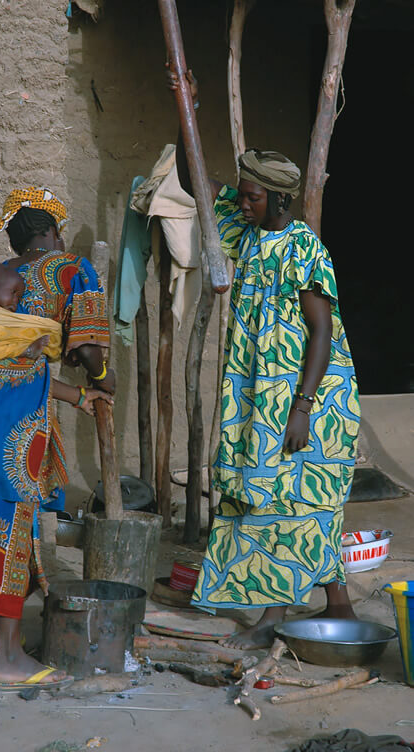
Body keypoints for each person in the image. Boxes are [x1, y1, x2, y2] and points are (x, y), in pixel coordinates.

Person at [168, 70, 361, 649]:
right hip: (261, 392)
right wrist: (188, 112)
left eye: (252, 196)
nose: (243, 202)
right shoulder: (246, 233)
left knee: (284, 501)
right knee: (295, 502)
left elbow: (321, 332)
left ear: (278, 198)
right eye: (244, 195)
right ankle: (342, 609)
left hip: (313, 394)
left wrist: (301, 408)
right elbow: (193, 181)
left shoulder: (304, 247)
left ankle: (272, 618)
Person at [0, 187, 115, 689]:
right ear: (54, 231)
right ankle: (7, 658)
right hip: (10, 422)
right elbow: (84, 343)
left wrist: (74, 399)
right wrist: (101, 380)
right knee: (11, 525)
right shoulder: (71, 268)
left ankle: (7, 646)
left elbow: (7, 360)